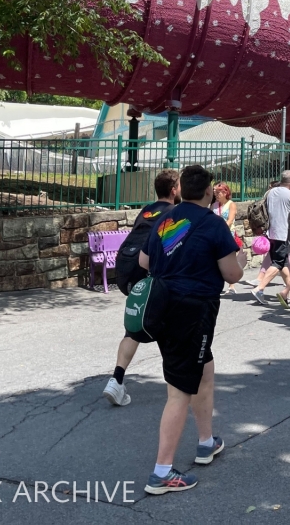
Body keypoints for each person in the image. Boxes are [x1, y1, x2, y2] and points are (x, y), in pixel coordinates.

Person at [140, 165, 242, 495]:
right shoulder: (213, 224)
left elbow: (143, 261)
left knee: (204, 370)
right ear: (210, 192)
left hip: (163, 308)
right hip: (193, 311)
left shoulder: (166, 219)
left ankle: (205, 441)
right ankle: (162, 472)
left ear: (180, 190)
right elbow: (233, 275)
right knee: (179, 390)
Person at [103, 170, 181, 408]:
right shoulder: (174, 213)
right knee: (168, 328)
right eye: (179, 186)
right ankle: (178, 389)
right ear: (174, 190)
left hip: (130, 274)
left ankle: (116, 380)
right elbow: (172, 247)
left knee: (136, 329)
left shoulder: (147, 209)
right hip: (153, 276)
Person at [252, 171, 290, 306]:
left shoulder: (270, 192)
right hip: (284, 233)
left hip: (271, 232)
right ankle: (259, 289)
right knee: (278, 263)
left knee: (282, 263)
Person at [213, 183, 245, 294]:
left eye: (219, 192)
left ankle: (231, 286)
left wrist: (219, 229)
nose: (216, 195)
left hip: (228, 234)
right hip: (216, 235)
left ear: (225, 192)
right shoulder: (214, 205)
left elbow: (230, 220)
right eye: (215, 193)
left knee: (229, 259)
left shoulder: (231, 204)